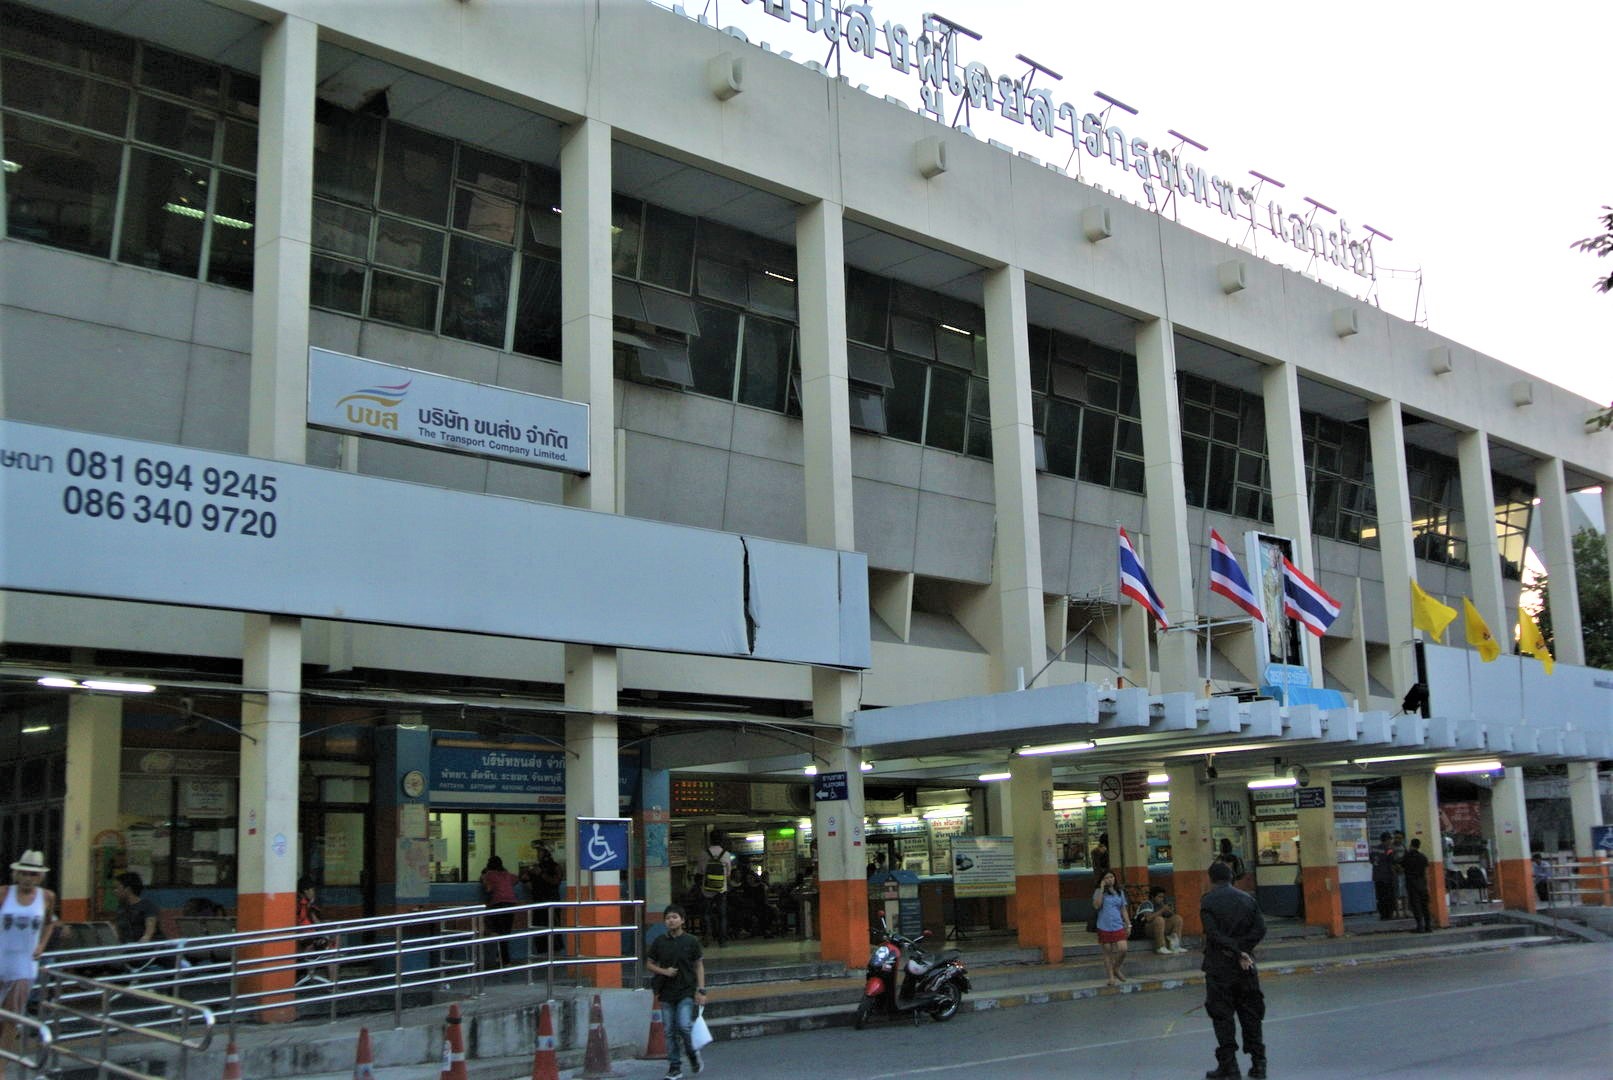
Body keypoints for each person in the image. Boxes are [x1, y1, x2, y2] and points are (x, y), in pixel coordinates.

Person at [1201, 858, 1267, 1079]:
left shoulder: (1208, 901)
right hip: (1246, 966)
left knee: (1222, 1017)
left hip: (1220, 966)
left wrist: (1235, 951)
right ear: (1231, 878)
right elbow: (1260, 929)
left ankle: (1229, 1066)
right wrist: (1244, 951)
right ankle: (1259, 1064)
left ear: (1211, 879)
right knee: (1251, 1015)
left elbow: (1213, 934)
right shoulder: (1248, 899)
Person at [0, 851, 57, 1068]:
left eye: (33, 874)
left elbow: (51, 921)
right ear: (16, 874)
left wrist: (42, 944)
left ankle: (1, 1069)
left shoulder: (46, 897)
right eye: (24, 873)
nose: (28, 878)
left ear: (39, 876)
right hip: (1, 959)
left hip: (24, 967)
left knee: (11, 1020)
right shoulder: (4, 894)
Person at [645, 903, 707, 1080]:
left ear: (682, 920)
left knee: (684, 1026)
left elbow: (699, 965)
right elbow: (649, 963)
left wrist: (701, 990)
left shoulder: (691, 941)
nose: (671, 921)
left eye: (674, 917)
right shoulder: (660, 942)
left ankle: (692, 1054)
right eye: (668, 918)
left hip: (686, 991)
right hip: (666, 992)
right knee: (669, 1031)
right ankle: (674, 1066)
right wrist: (665, 972)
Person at [1091, 869, 1132, 986]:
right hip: (1104, 925)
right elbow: (1096, 905)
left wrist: (1128, 924)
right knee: (1108, 952)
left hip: (1117, 924)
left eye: (1112, 877)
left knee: (1123, 949)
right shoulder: (1099, 891)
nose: (1110, 880)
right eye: (1107, 878)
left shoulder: (1119, 892)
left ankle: (1116, 968)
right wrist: (1101, 888)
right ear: (1103, 880)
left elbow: (1123, 909)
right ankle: (1111, 977)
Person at [695, 834, 734, 946]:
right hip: (721, 889)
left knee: (706, 914)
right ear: (722, 841)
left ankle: (707, 938)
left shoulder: (703, 854)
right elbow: (728, 873)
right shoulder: (726, 854)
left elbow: (701, 872)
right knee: (722, 915)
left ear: (710, 840)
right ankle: (722, 940)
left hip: (706, 889)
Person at [480, 855, 520, 966]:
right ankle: (502, 957)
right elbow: (516, 879)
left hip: (498, 904)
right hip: (511, 903)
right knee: (505, 932)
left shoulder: (489, 874)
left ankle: (504, 959)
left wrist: (484, 880)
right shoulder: (507, 874)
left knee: (498, 931)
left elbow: (488, 889)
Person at [113, 872, 164, 946]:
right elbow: (117, 931)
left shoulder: (147, 906)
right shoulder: (121, 908)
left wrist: (142, 942)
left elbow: (149, 932)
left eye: (117, 888)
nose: (115, 891)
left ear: (128, 889)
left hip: (149, 950)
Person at [1133, 885, 1186, 954]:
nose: (1162, 899)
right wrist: (1162, 910)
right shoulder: (1146, 904)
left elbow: (1171, 916)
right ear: (1152, 897)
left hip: (1159, 928)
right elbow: (1148, 918)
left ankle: (1175, 946)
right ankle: (1160, 947)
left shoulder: (1161, 905)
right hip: (1144, 929)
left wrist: (1169, 910)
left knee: (1178, 918)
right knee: (1159, 919)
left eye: (1163, 897)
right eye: (1159, 897)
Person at [1402, 838, 1432, 932]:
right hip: (1422, 884)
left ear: (1411, 845)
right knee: (1425, 905)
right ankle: (1428, 926)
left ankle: (1420, 926)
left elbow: (1401, 867)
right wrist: (1428, 885)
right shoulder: (1423, 857)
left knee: (1416, 905)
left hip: (1411, 884)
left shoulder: (1407, 856)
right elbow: (1426, 872)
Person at [1370, 832, 1398, 919]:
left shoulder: (1374, 849)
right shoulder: (1389, 849)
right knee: (1389, 897)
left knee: (1380, 897)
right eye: (1390, 839)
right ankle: (1389, 914)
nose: (1391, 841)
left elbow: (1371, 860)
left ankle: (1382, 915)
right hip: (1387, 877)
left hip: (1377, 877)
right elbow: (1392, 861)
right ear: (1387, 840)